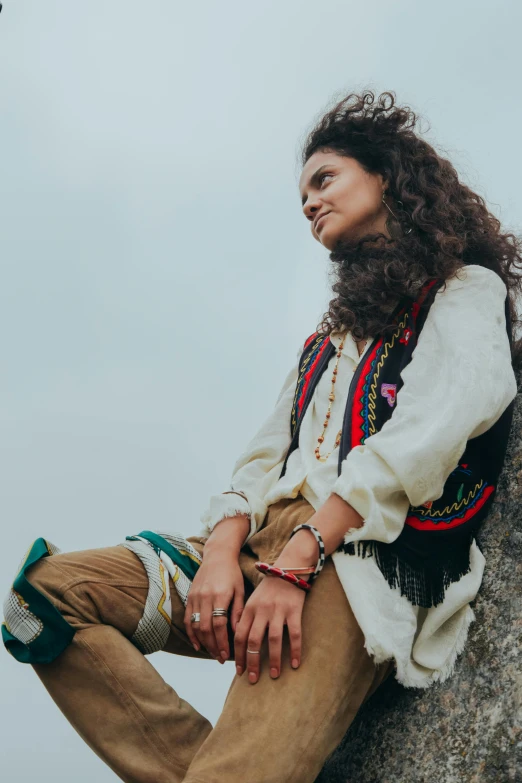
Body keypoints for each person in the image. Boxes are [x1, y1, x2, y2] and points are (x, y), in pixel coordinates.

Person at [3, 89, 521, 783]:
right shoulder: (327, 339)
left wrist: (300, 558)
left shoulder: (465, 292)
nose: (308, 203)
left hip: (352, 562)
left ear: (388, 176)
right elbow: (260, 457)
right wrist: (221, 549)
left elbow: (426, 437)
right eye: (303, 194)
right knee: (39, 602)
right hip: (254, 547)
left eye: (324, 180)